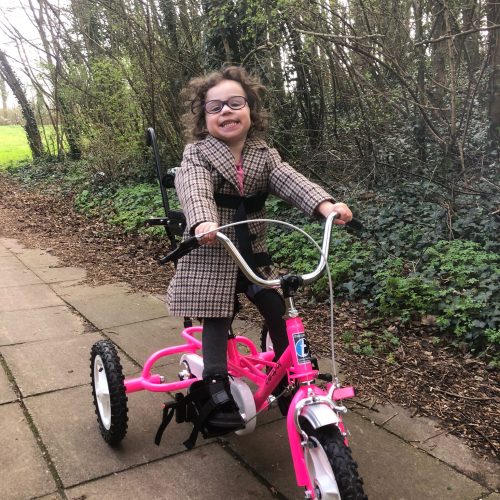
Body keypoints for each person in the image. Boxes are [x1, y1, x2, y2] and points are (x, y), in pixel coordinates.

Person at [166, 66, 352, 435]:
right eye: (215, 107)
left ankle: (294, 376)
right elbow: (195, 189)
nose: (226, 112)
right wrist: (202, 221)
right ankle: (215, 384)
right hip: (212, 252)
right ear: (203, 119)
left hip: (253, 255)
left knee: (276, 307)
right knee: (215, 315)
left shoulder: (263, 155)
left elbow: (291, 180)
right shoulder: (197, 154)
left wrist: (325, 205)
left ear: (251, 109)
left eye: (235, 103)